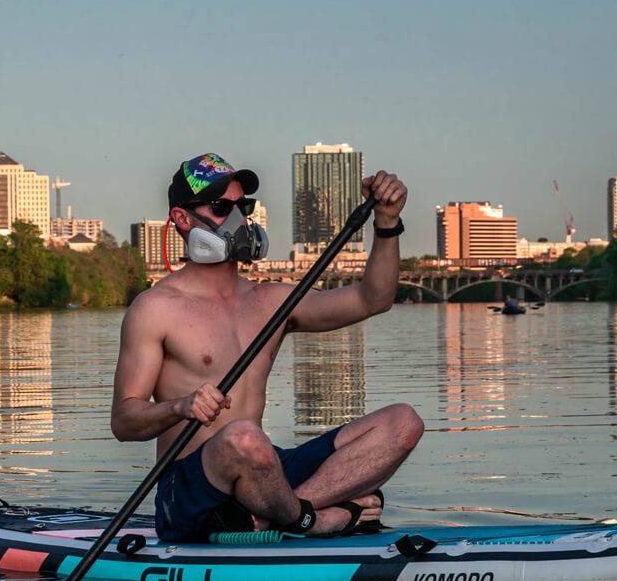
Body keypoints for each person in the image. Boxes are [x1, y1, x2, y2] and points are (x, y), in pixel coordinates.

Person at [111, 153, 424, 542]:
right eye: (222, 207)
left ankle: (287, 514)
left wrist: (387, 222)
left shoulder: (273, 301)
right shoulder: (154, 308)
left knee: (403, 422)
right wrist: (180, 406)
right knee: (244, 437)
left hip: (263, 475)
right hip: (191, 493)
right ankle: (318, 517)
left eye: (243, 206)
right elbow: (123, 422)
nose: (239, 219)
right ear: (183, 220)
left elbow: (372, 300)